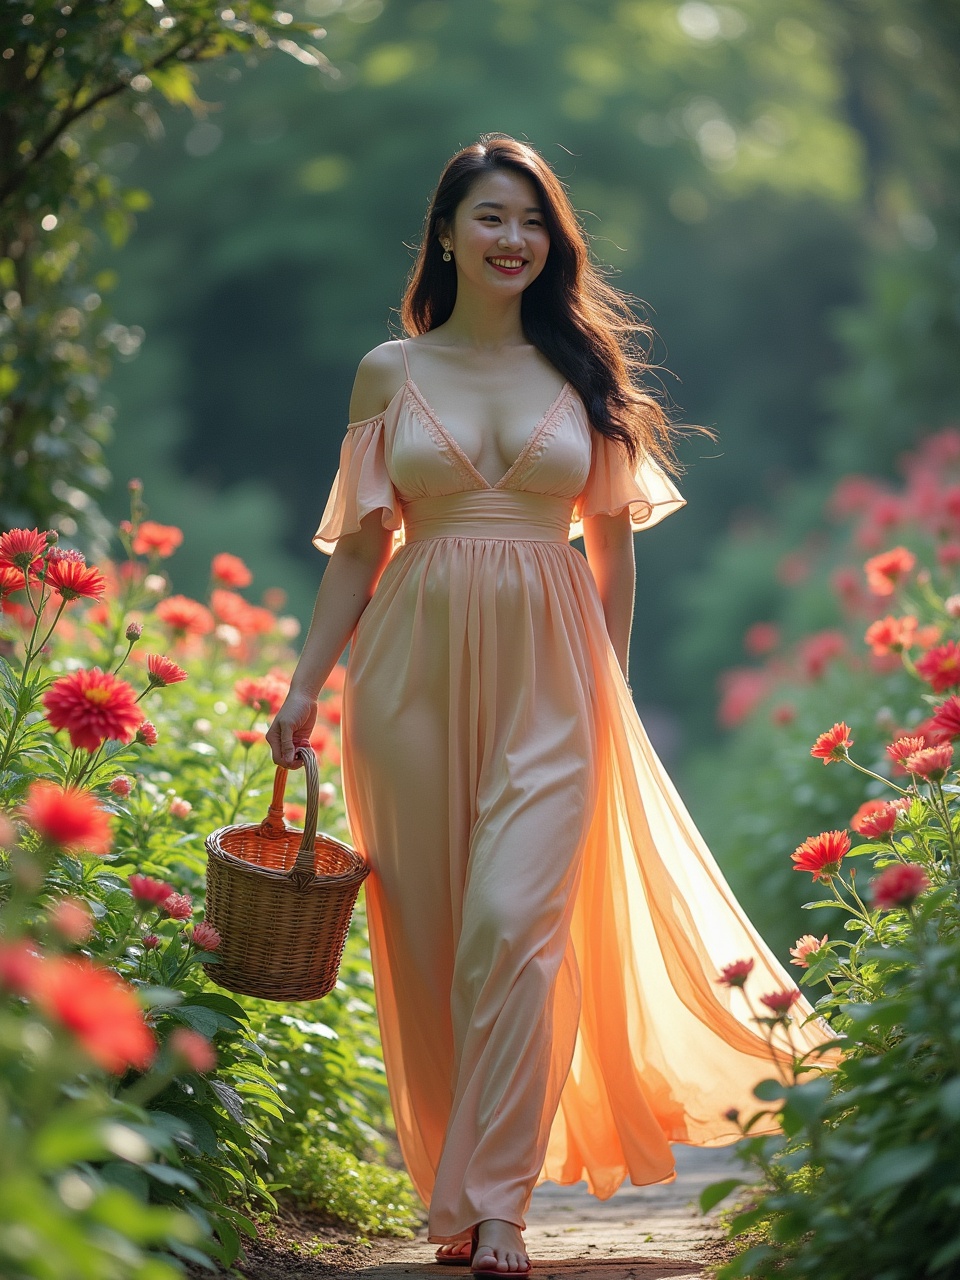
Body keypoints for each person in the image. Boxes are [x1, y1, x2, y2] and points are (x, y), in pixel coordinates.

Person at [267, 134, 833, 1275]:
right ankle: (455, 1199)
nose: (513, 238)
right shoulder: (391, 371)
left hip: (553, 675)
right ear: (446, 233)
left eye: (531, 219)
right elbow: (356, 550)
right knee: (430, 943)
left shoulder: (584, 376)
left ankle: (501, 1207)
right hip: (410, 675)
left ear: (551, 239)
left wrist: (609, 691)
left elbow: (616, 554)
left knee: (513, 930)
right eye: (490, 217)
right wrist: (301, 683)